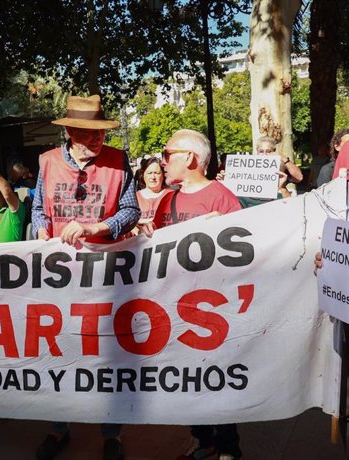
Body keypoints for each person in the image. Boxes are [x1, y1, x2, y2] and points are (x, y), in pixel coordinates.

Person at [31, 94, 140, 460]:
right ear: (71, 132)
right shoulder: (46, 162)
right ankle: (58, 427)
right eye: (88, 135)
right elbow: (37, 209)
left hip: (106, 270)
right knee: (59, 349)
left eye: (100, 135)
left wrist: (96, 227)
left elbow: (130, 210)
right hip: (59, 276)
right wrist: (41, 231)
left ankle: (112, 433)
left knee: (105, 350)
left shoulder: (119, 161)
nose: (97, 141)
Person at [140, 129, 243, 460]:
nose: (163, 161)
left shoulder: (222, 198)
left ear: (191, 158)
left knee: (216, 379)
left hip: (214, 310)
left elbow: (247, 252)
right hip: (175, 304)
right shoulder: (167, 199)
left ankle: (229, 447)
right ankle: (202, 439)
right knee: (187, 379)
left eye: (168, 154)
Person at [135, 156, 168, 224]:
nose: (153, 177)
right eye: (149, 173)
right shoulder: (134, 198)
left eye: (157, 173)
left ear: (163, 175)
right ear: (143, 174)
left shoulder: (170, 196)